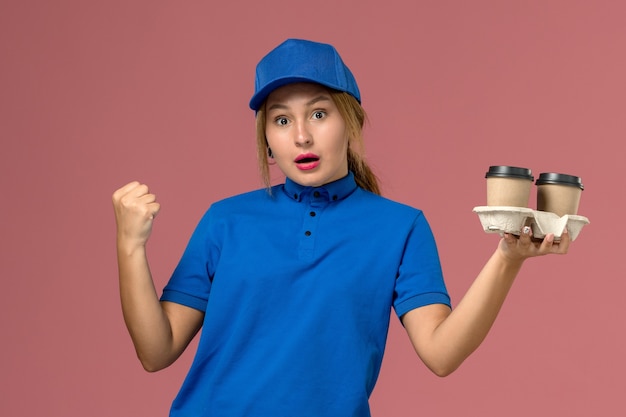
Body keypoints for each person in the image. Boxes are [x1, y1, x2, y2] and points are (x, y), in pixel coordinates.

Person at [112, 39, 570, 416]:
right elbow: (157, 351)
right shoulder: (225, 220)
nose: (302, 137)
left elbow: (441, 353)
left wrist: (507, 259)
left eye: (318, 113)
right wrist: (130, 247)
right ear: (267, 139)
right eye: (282, 119)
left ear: (351, 122)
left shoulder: (400, 227)